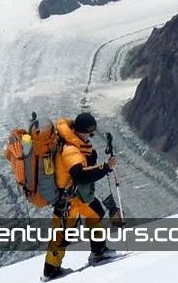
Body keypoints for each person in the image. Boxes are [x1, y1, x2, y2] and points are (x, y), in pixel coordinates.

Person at [42, 112, 119, 281]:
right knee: (62, 234)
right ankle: (51, 271)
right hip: (71, 200)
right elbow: (80, 175)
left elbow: (85, 167)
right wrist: (106, 167)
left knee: (94, 213)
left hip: (73, 198)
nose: (91, 135)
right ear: (80, 131)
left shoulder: (74, 144)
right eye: (89, 132)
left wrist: (96, 161)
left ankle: (97, 251)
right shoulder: (71, 150)